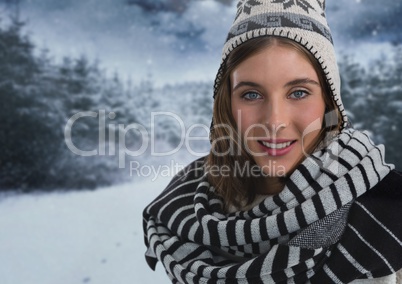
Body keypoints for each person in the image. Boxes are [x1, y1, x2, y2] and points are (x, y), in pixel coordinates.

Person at [143, 0, 402, 283]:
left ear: (330, 102)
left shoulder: (389, 210)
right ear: (227, 105)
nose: (274, 121)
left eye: (299, 92)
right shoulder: (180, 205)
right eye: (251, 94)